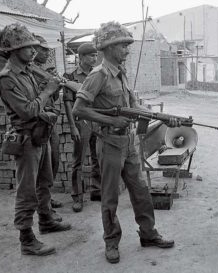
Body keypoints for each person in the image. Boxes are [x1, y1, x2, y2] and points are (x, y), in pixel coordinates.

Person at [72, 21, 178, 264]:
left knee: (141, 191)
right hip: (109, 142)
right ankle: (111, 241)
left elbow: (133, 107)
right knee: (109, 197)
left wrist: (161, 117)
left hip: (128, 143)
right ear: (109, 48)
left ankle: (148, 234)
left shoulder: (121, 73)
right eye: (123, 46)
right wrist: (112, 120)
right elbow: (79, 109)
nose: (127, 50)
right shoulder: (98, 75)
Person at [0, 23, 71, 256]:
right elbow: (27, 111)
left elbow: (39, 103)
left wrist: (51, 92)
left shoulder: (29, 71)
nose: (33, 51)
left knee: (45, 182)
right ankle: (26, 239)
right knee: (26, 190)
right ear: (15, 49)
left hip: (40, 134)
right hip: (26, 140)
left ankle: (46, 220)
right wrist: (48, 90)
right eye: (28, 47)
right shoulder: (6, 78)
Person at [63, 42, 100, 212]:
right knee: (78, 160)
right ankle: (77, 197)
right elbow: (68, 104)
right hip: (81, 122)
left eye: (95, 55)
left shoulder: (97, 74)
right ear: (82, 57)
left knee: (97, 156)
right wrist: (72, 126)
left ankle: (97, 190)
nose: (95, 58)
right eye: (91, 55)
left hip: (97, 120)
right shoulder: (70, 76)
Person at [32, 34, 63, 221]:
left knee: (54, 160)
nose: (46, 52)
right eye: (42, 49)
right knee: (42, 167)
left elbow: (54, 98)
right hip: (38, 124)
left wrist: (55, 87)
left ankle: (47, 198)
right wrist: (46, 86)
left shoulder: (44, 71)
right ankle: (43, 206)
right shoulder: (30, 73)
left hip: (50, 122)